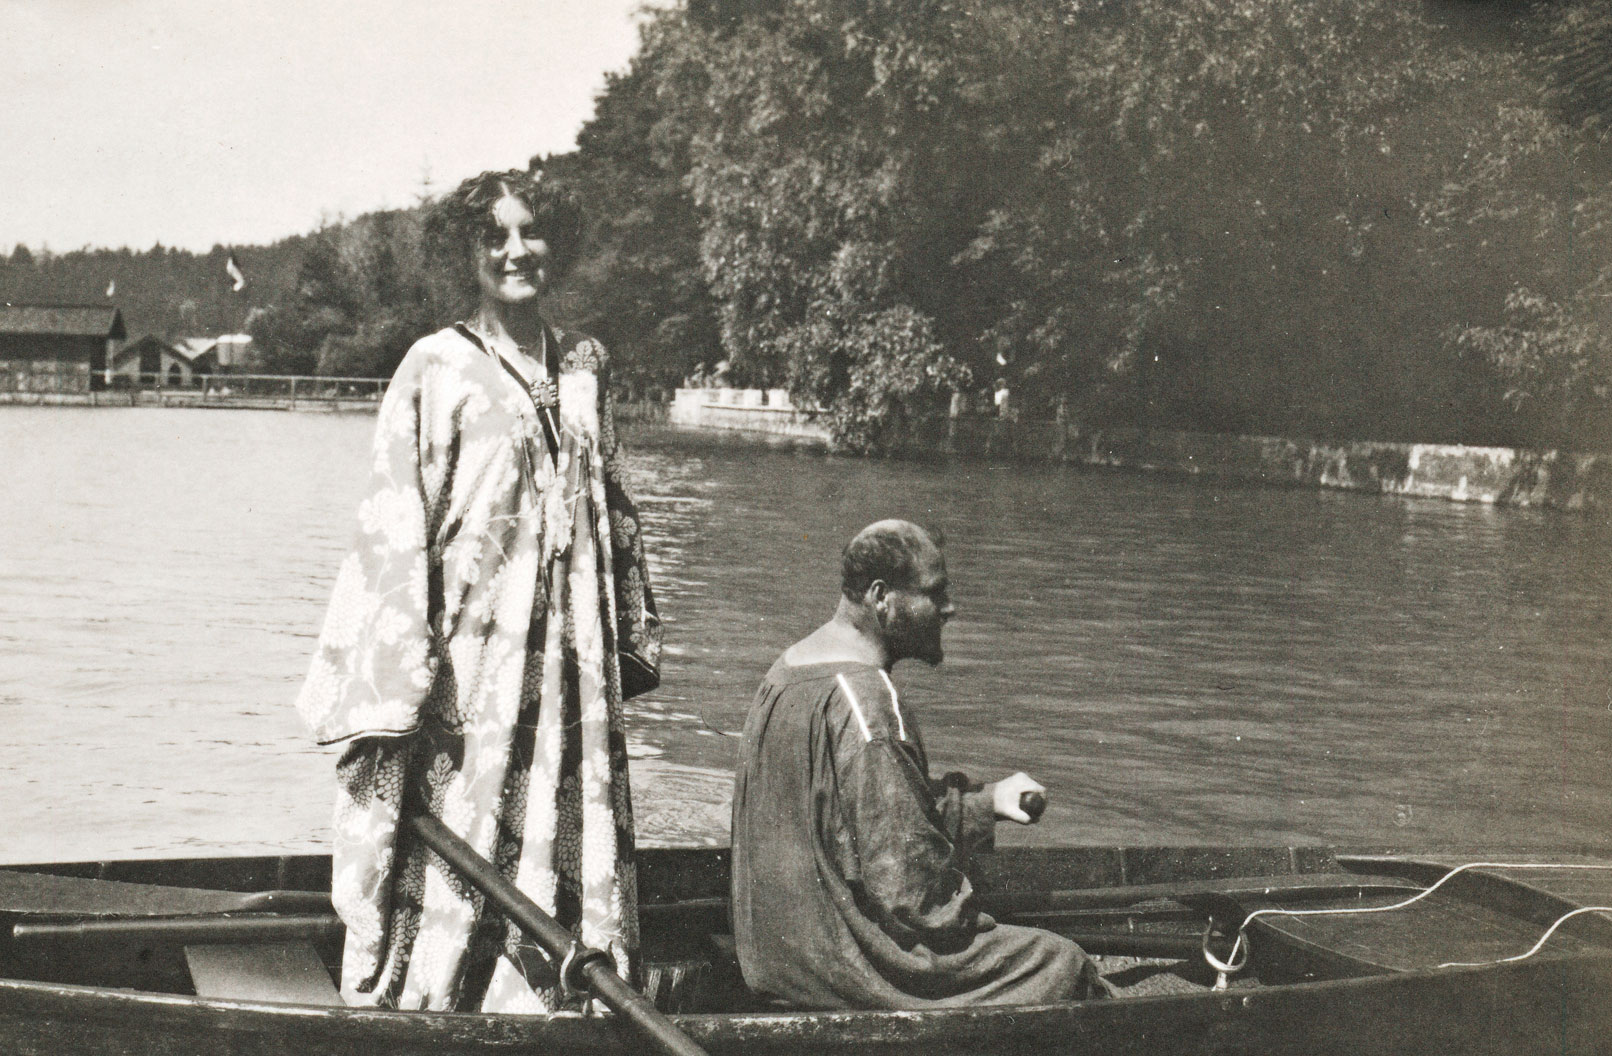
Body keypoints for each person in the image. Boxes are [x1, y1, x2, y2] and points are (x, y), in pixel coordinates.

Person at [297, 169, 661, 1012]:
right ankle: (442, 1002)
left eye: (530, 231)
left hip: (570, 670)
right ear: (466, 253)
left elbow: (613, 511)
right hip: (473, 664)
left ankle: (567, 994)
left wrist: (620, 642)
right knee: (462, 833)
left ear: (555, 243)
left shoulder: (585, 367)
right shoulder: (435, 366)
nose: (514, 250)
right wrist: (401, 682)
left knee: (568, 824)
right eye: (493, 236)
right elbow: (395, 528)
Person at [731, 520, 1105, 1010]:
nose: (950, 609)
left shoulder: (790, 668)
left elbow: (857, 815)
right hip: (843, 969)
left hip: (775, 958)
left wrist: (984, 804)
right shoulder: (868, 701)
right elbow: (912, 892)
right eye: (936, 593)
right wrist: (977, 917)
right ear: (882, 598)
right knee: (1062, 961)